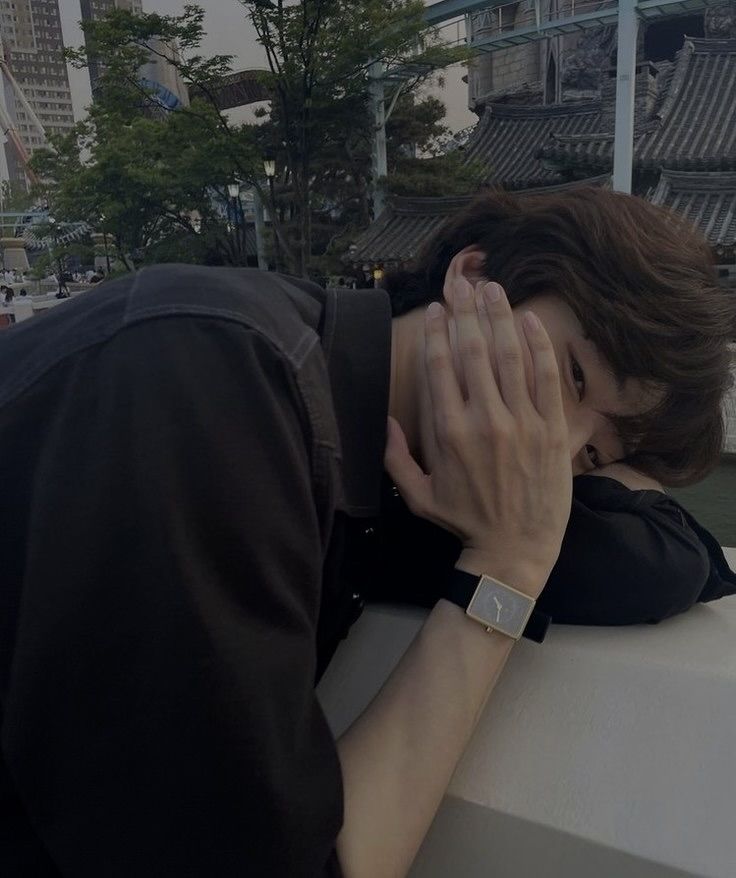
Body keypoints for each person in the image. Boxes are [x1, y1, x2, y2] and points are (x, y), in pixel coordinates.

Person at [0, 188, 733, 877]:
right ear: (473, 278)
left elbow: (671, 560)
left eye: (592, 456)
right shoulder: (217, 383)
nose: (552, 447)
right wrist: (509, 563)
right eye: (569, 377)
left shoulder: (395, 472)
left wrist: (521, 546)